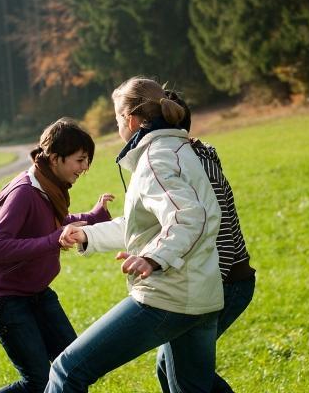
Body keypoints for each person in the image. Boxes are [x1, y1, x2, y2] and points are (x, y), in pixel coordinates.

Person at [45, 77, 224, 393]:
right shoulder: (177, 149)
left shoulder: (156, 159)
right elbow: (144, 224)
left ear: (130, 120)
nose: (117, 127)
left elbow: (189, 217)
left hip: (168, 296)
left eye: (116, 119)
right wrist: (89, 236)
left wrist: (154, 258)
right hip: (201, 295)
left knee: (66, 372)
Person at [0, 118, 114, 393]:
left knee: (76, 366)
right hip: (6, 300)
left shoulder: (46, 186)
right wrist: (53, 241)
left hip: (37, 293)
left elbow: (53, 221)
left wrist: (92, 217)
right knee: (38, 382)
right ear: (54, 158)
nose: (85, 167)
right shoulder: (24, 192)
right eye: (80, 160)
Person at [155, 90, 256, 393]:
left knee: (186, 375)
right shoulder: (186, 156)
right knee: (172, 366)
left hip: (223, 283)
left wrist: (207, 286)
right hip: (212, 281)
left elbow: (218, 230)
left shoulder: (191, 163)